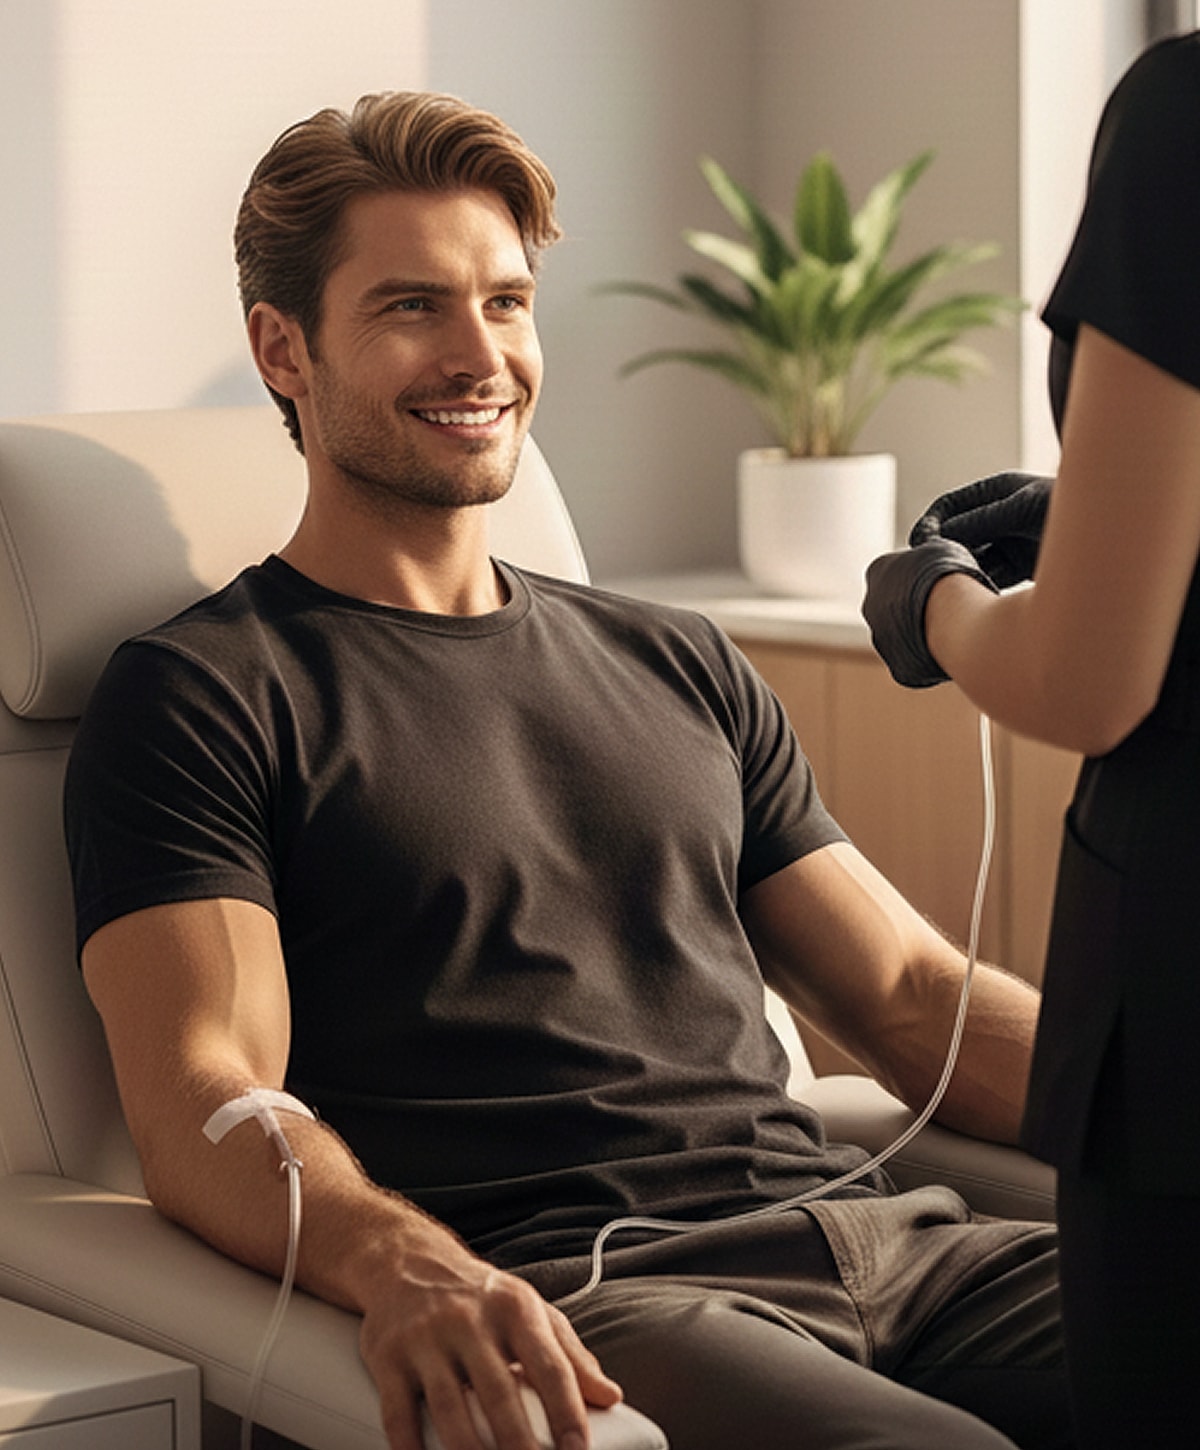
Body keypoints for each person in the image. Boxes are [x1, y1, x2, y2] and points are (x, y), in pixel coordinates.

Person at [64, 91, 1073, 1450]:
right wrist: (403, 1263)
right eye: (413, 306)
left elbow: (907, 995)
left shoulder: (679, 657)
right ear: (282, 348)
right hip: (609, 1297)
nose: (479, 355)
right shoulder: (205, 693)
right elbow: (208, 1088)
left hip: (903, 1249)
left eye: (507, 302)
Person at [862, 32, 1200, 1450]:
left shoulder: (1186, 120)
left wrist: (933, 603)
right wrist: (1121, 527)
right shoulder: (229, 687)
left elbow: (1084, 684)